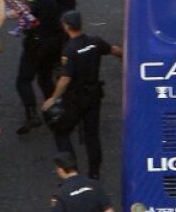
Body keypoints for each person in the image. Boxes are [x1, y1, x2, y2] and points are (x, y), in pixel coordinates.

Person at [44, 11, 122, 178]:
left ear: (66, 26)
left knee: (62, 132)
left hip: (74, 99)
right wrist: (127, 58)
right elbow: (114, 50)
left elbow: (65, 79)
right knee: (92, 135)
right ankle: (94, 172)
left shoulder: (70, 50)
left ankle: (72, 172)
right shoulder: (95, 42)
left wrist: (53, 98)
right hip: (94, 95)